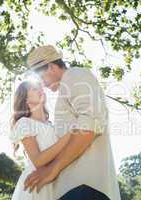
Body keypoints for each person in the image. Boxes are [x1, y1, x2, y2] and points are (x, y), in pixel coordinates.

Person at [22, 45, 121, 200]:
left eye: (41, 78)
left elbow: (90, 123)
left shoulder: (75, 75)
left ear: (51, 67)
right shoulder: (66, 89)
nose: (43, 85)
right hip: (73, 187)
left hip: (84, 186)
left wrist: (53, 169)